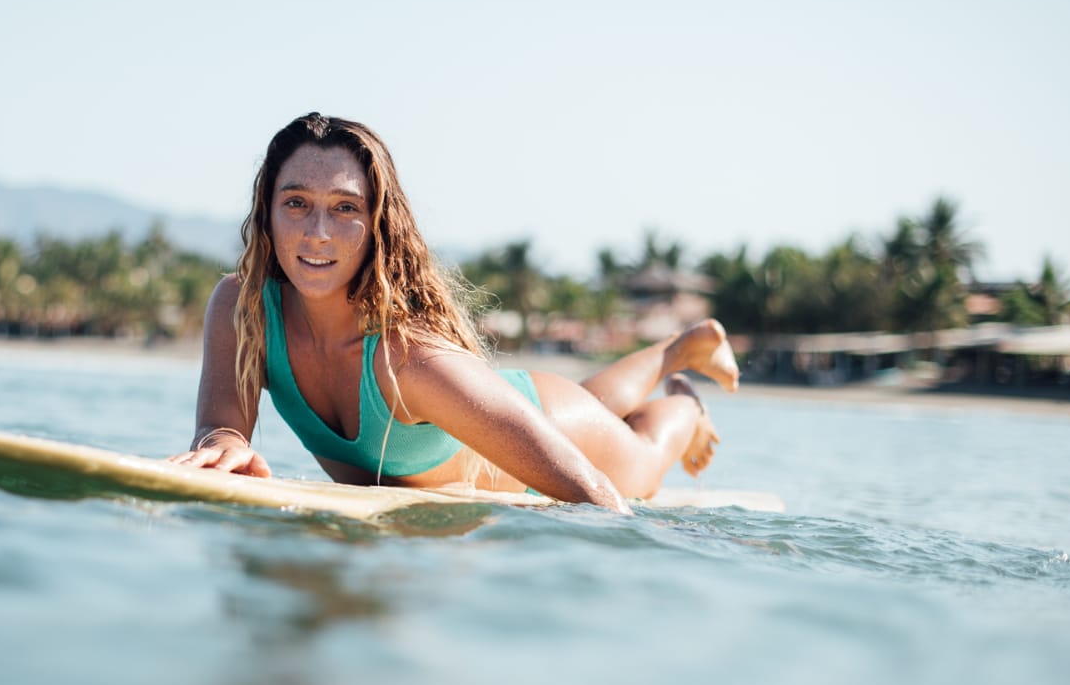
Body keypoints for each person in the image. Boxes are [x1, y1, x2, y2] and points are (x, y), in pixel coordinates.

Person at [170, 112, 739, 513]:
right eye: (296, 203)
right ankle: (677, 349)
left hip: (544, 428)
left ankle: (684, 403)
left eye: (345, 208)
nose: (317, 233)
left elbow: (597, 493)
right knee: (598, 401)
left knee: (640, 455)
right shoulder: (241, 310)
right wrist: (223, 443)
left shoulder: (410, 360)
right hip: (499, 405)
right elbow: (222, 427)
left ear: (376, 226)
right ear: (266, 211)